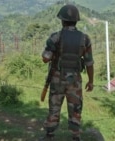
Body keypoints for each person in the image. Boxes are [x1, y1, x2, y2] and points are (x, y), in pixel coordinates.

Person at [40, 4, 94, 141]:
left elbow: (45, 59)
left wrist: (52, 53)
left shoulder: (55, 37)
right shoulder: (85, 39)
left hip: (57, 79)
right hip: (75, 81)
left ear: (62, 20)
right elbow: (89, 63)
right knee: (75, 109)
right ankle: (76, 137)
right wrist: (91, 81)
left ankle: (49, 136)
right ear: (76, 20)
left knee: (54, 108)